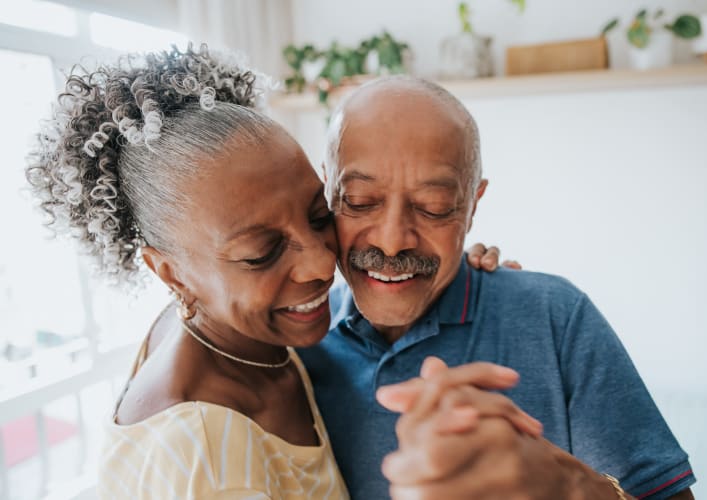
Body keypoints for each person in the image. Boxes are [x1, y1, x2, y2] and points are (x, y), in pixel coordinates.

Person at [24, 45, 532, 499]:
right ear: (172, 274)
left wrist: (441, 263)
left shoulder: (234, 330)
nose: (320, 265)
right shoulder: (208, 461)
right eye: (262, 252)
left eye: (319, 216)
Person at [297, 75, 697, 499]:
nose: (392, 241)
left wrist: (569, 485)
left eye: (434, 209)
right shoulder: (296, 348)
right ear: (328, 190)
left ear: (472, 206)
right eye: (359, 201)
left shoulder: (555, 317)